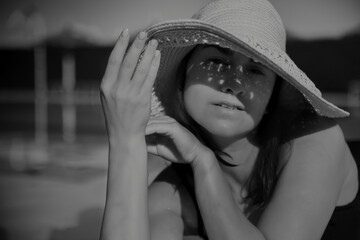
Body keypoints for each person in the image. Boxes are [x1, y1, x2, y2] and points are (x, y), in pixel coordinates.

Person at [99, 0, 359, 239]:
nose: (234, 85)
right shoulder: (173, 192)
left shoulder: (314, 139)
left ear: (272, 97)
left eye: (256, 69)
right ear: (182, 78)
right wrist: (125, 142)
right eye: (216, 61)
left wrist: (206, 163)